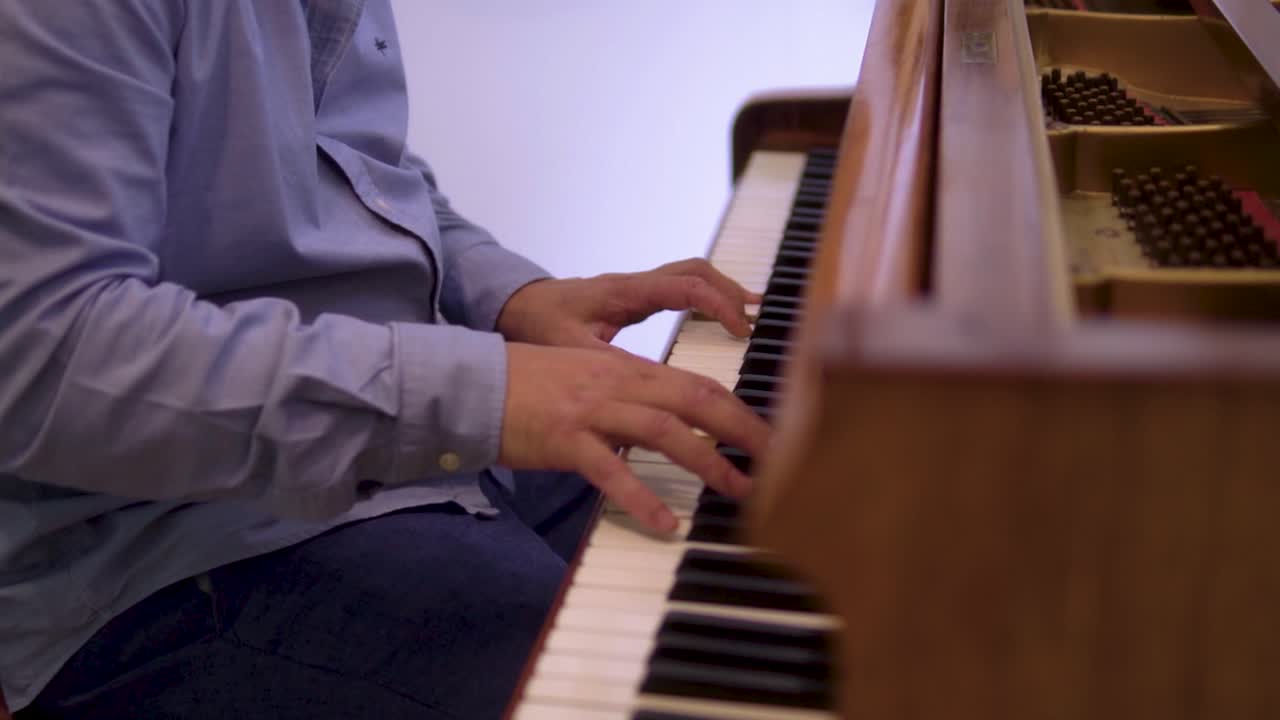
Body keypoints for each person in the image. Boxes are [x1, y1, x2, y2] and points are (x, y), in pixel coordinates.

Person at [0, 2, 769, 718]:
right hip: (157, 553)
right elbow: (47, 358)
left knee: (753, 536)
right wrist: (478, 394)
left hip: (390, 450)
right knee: (652, 685)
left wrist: (513, 295)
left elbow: (354, 173)